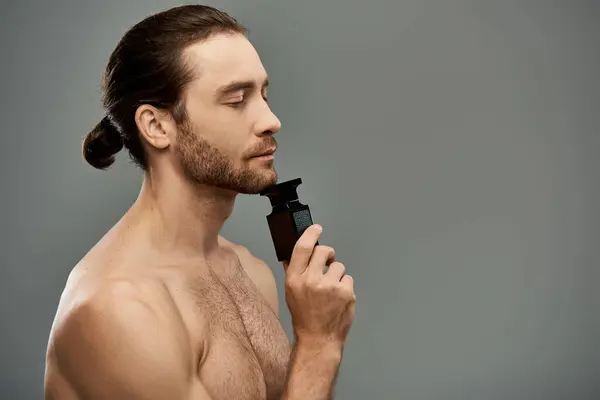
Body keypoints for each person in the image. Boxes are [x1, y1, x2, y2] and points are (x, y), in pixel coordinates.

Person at [43, 4, 356, 400]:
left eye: (263, 94)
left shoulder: (250, 272)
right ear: (156, 126)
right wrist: (318, 345)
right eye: (237, 99)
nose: (270, 119)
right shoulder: (119, 310)